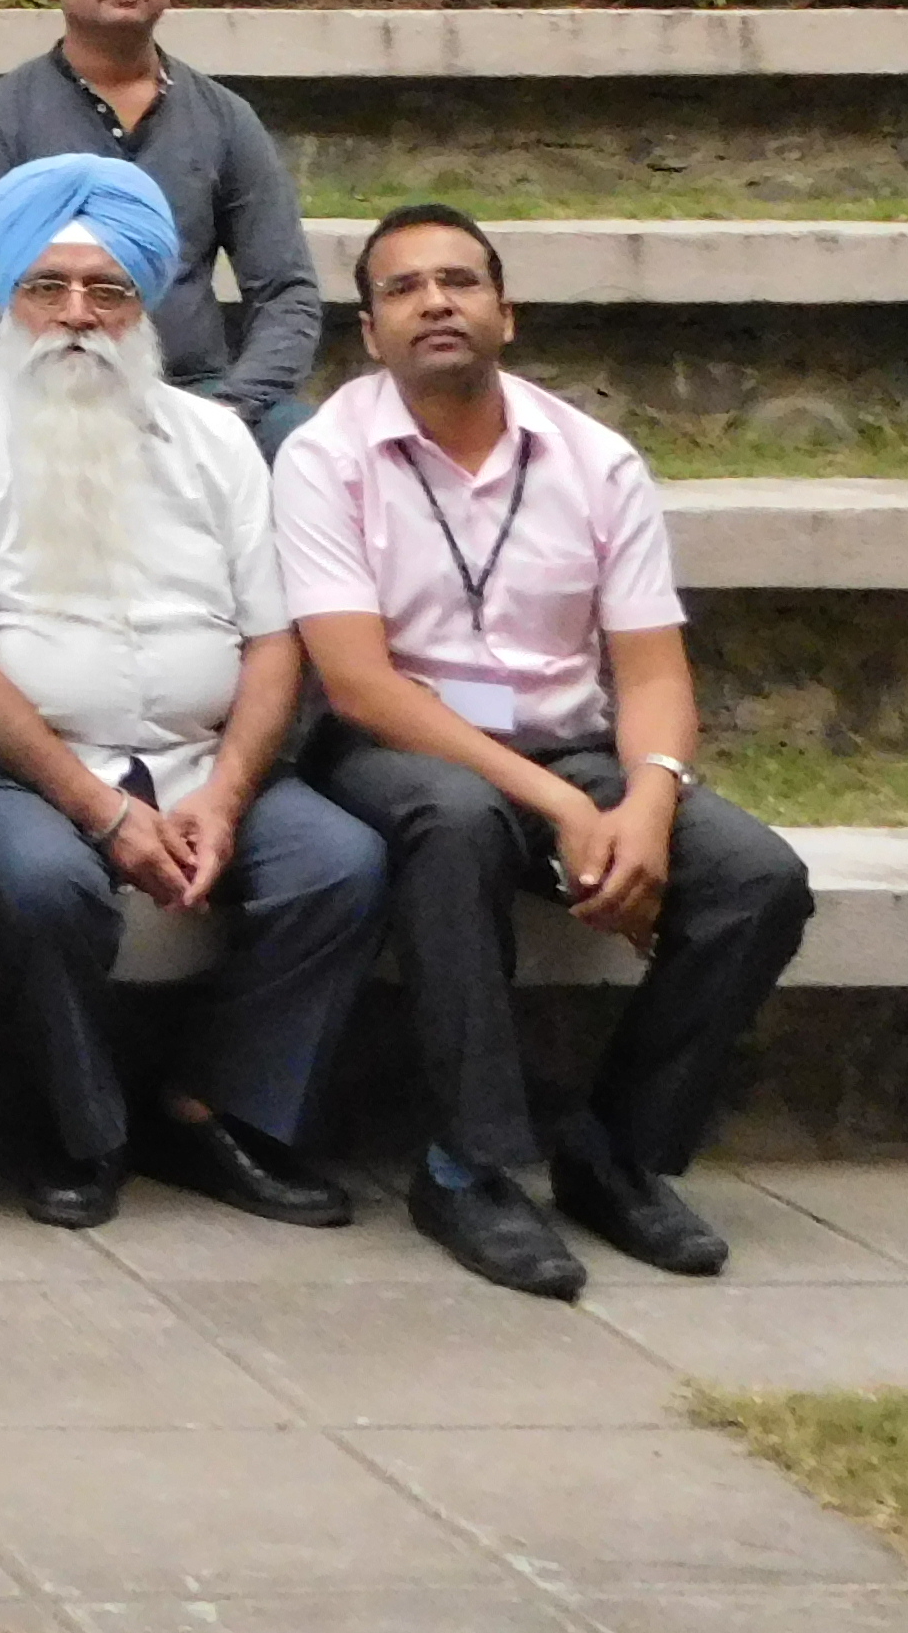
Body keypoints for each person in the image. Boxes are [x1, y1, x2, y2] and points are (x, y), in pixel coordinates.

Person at [277, 204, 813, 1297]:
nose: (436, 301)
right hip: (395, 746)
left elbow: (654, 673)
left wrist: (646, 807)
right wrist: (564, 812)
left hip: (573, 745)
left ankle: (614, 1153)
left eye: (461, 281)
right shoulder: (326, 456)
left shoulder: (594, 459)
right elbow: (359, 682)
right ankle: (464, 1165)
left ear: (504, 313)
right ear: (371, 334)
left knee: (758, 879)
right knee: (457, 818)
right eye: (404, 288)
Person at [0, 154, 390, 1230]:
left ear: (149, 303)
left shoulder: (213, 440)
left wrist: (229, 793)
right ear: (9, 299)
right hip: (14, 763)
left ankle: (212, 1109)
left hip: (203, 758)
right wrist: (100, 808)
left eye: (108, 291)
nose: (77, 315)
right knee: (41, 884)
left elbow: (272, 638)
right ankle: (86, 1133)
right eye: (49, 288)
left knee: (340, 865)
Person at [0, 0, 321, 445]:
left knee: (302, 440)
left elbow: (286, 291)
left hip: (200, 393)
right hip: (46, 389)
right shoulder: (0, 119)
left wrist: (230, 408)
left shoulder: (224, 119)